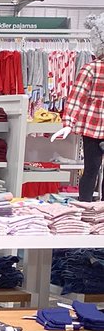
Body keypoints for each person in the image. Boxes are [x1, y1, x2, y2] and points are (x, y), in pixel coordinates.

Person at [59, 12, 104, 201]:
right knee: (91, 169)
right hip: (93, 127)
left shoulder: (90, 68)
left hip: (92, 127)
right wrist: (68, 122)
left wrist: (69, 122)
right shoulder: (91, 69)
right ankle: (85, 208)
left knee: (91, 169)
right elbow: (76, 97)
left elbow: (76, 98)